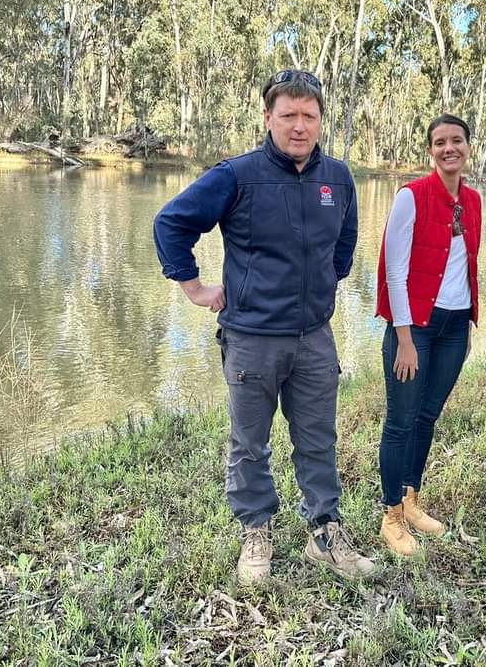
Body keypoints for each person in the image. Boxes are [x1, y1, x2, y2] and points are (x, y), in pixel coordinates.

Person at [153, 69, 375, 586]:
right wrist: (195, 287)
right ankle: (257, 532)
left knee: (318, 440)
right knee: (249, 444)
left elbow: (344, 244)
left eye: (309, 116)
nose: (300, 126)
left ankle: (326, 533)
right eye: (288, 115)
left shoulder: (338, 178)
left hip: (314, 337)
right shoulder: (237, 175)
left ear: (321, 120)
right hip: (251, 338)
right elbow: (171, 223)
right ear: (268, 117)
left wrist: (321, 285)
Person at [374, 114, 482, 557]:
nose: (448, 148)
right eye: (440, 142)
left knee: (427, 417)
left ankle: (411, 498)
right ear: (430, 150)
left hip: (455, 328)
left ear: (467, 147)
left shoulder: (473, 200)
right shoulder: (411, 197)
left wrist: (470, 323)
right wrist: (403, 337)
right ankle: (391, 515)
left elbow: (467, 265)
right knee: (401, 421)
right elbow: (394, 271)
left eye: (456, 140)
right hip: (414, 327)